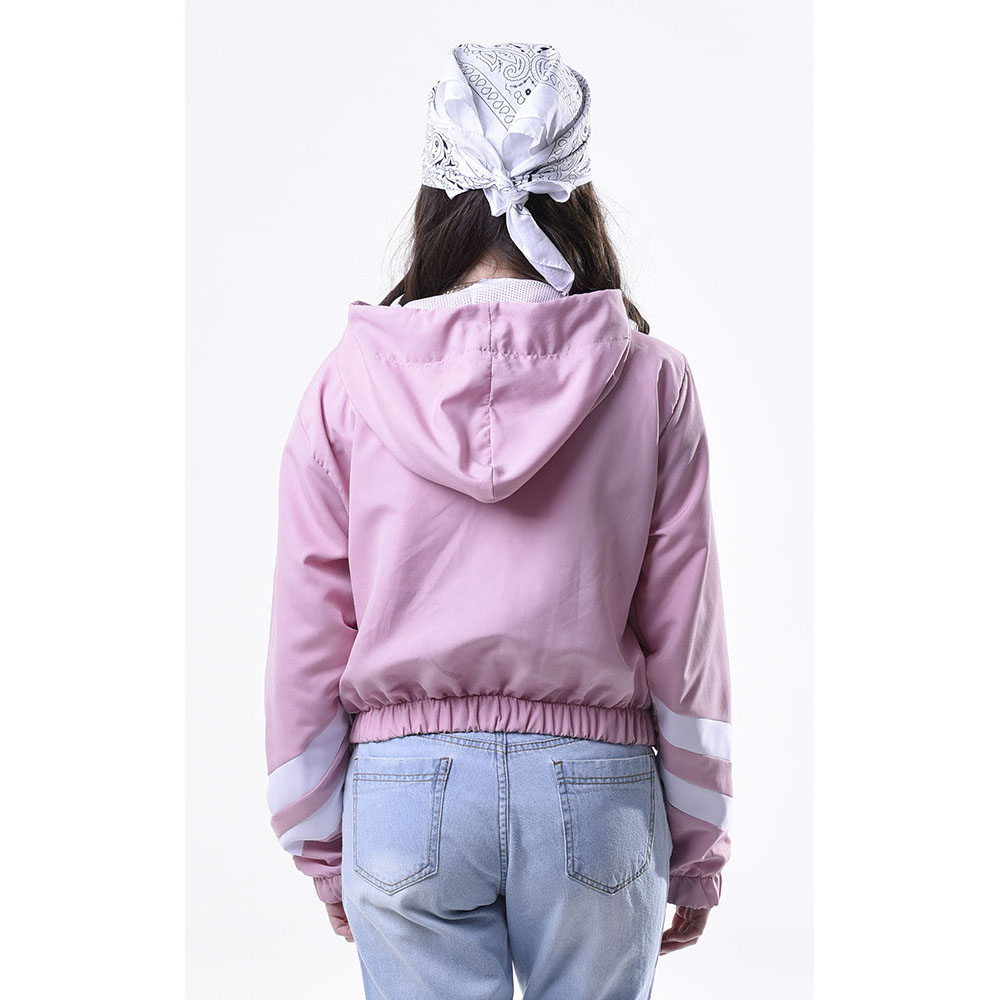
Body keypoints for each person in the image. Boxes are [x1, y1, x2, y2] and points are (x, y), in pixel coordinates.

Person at [264, 41, 733, 1000]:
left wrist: (322, 842)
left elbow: (307, 630)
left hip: (403, 797)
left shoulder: (347, 383)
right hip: (598, 797)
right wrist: (697, 846)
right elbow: (686, 638)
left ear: (437, 194)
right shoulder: (653, 381)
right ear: (576, 190)